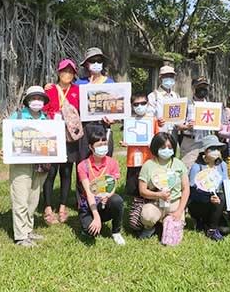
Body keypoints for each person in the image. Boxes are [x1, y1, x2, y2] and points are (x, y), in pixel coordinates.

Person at [1, 86, 52, 247]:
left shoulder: (47, 120)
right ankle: (21, 236)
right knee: (20, 197)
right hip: (20, 163)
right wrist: (5, 149)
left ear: (44, 101)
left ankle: (28, 229)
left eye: (40, 99)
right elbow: (8, 137)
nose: (36, 102)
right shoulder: (17, 117)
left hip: (40, 164)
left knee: (33, 197)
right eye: (33, 98)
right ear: (27, 101)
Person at [43, 58, 81, 224]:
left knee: (66, 172)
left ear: (74, 75)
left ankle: (63, 207)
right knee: (50, 172)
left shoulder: (78, 91)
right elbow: (43, 110)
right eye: (64, 71)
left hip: (70, 138)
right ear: (58, 72)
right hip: (52, 136)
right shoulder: (49, 90)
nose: (67, 74)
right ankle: (48, 207)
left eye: (70, 72)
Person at [138, 132, 190, 241]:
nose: (167, 150)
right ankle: (150, 227)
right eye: (163, 147)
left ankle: (167, 221)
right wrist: (159, 195)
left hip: (174, 202)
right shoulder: (148, 165)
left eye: (170, 147)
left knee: (173, 237)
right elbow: (142, 191)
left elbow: (186, 189)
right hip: (155, 202)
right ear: (156, 147)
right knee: (148, 216)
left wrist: (179, 211)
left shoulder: (179, 164)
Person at [76, 130, 126, 245]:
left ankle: (116, 232)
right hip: (90, 205)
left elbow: (113, 185)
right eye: (99, 145)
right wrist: (96, 216)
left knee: (117, 200)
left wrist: (108, 196)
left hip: (105, 201)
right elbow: (88, 193)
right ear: (91, 147)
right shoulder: (82, 166)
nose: (103, 147)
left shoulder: (112, 163)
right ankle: (92, 221)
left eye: (104, 144)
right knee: (90, 233)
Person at [123, 93, 161, 232]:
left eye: (143, 103)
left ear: (148, 104)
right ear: (132, 106)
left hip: (149, 161)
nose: (140, 106)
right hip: (133, 161)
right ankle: (136, 219)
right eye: (136, 104)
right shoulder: (129, 121)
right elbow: (126, 137)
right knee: (135, 192)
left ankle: (151, 218)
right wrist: (125, 142)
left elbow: (158, 140)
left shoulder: (153, 120)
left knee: (150, 189)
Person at [76, 47, 116, 161]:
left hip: (103, 126)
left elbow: (116, 107)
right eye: (92, 61)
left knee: (104, 160)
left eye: (99, 60)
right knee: (83, 162)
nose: (96, 63)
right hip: (84, 128)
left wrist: (114, 119)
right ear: (87, 64)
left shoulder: (110, 83)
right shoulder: (79, 84)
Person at [188, 135, 228, 241]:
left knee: (225, 230)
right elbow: (192, 189)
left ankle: (210, 222)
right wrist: (206, 197)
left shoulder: (223, 165)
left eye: (217, 148)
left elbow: (226, 183)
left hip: (217, 200)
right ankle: (211, 229)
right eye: (212, 149)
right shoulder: (197, 166)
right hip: (200, 201)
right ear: (204, 152)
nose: (216, 151)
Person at [181, 77, 213, 169]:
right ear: (193, 88)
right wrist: (187, 126)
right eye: (199, 87)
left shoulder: (211, 106)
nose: (202, 89)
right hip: (190, 141)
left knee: (206, 169)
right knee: (187, 168)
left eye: (205, 87)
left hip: (206, 141)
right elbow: (178, 125)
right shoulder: (186, 103)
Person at [146, 65, 181, 136]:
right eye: (166, 76)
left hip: (173, 135)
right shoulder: (153, 96)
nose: (169, 78)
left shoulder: (176, 95)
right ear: (160, 78)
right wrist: (157, 122)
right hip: (159, 135)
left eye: (171, 76)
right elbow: (148, 118)